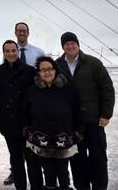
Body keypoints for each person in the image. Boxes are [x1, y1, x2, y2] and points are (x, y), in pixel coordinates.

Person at [56, 32, 115, 190]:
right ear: (63, 47)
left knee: (98, 158)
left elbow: (107, 88)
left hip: (94, 120)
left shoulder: (93, 63)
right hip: (72, 124)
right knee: (77, 159)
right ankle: (82, 187)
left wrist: (106, 114)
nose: (70, 46)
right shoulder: (57, 65)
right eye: (66, 44)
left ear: (78, 44)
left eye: (72, 43)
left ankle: (99, 187)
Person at [24, 56, 83, 190]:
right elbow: (25, 112)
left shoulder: (68, 89)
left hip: (63, 137)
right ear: (38, 72)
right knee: (48, 171)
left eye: (50, 69)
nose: (47, 72)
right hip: (41, 138)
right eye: (43, 69)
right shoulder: (32, 91)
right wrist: (27, 130)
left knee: (62, 171)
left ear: (55, 70)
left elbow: (78, 111)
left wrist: (78, 131)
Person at [0, 40, 42, 190]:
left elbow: (36, 97)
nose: (10, 53)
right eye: (7, 51)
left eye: (13, 50)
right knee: (16, 161)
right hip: (8, 123)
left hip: (28, 123)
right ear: (4, 53)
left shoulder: (29, 71)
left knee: (32, 161)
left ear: (17, 51)